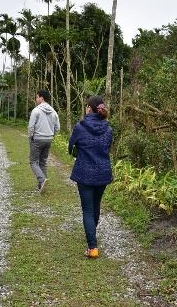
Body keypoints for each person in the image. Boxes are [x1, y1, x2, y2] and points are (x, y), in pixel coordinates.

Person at [68, 95, 113, 259]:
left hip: (85, 173)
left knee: (87, 209)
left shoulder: (81, 127)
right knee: (96, 205)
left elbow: (70, 146)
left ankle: (92, 247)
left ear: (89, 108)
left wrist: (78, 151)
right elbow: (108, 147)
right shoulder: (108, 128)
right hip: (103, 172)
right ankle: (91, 234)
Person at [28, 90, 60, 192]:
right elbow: (57, 127)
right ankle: (42, 185)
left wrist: (30, 137)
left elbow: (31, 126)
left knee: (33, 161)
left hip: (37, 139)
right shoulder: (54, 112)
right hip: (49, 139)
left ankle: (42, 180)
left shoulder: (36, 111)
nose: (36, 99)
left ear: (41, 98)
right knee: (43, 162)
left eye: (37, 97)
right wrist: (51, 135)